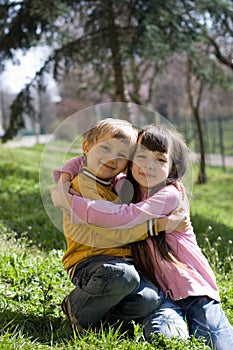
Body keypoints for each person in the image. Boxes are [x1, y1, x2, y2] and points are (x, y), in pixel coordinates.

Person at [52, 125, 233, 349]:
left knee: (216, 337)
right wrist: (64, 179)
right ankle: (89, 313)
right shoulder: (123, 186)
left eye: (160, 159)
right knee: (168, 339)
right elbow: (85, 159)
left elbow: (123, 216)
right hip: (161, 295)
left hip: (193, 288)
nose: (149, 165)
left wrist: (72, 203)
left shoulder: (169, 195)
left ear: (172, 167)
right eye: (141, 156)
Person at [52, 118, 185, 333]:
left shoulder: (117, 184)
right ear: (87, 147)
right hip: (91, 263)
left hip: (121, 265)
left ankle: (102, 319)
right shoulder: (80, 189)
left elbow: (79, 160)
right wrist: (156, 226)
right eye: (105, 148)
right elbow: (114, 230)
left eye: (122, 155)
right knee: (124, 277)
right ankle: (76, 307)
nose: (112, 158)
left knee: (149, 298)